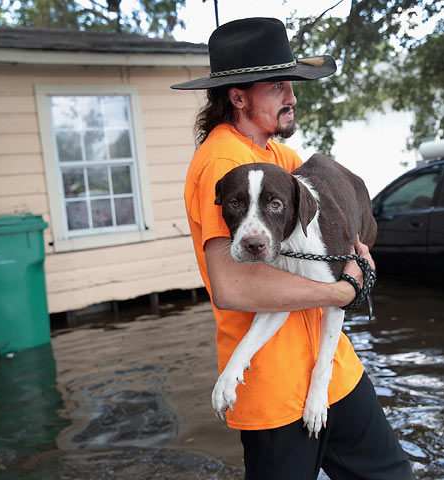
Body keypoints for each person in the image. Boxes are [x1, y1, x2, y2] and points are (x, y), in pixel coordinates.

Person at [173, 17, 414, 480]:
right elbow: (232, 284)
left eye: (291, 85)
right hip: (274, 383)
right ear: (238, 97)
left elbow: (335, 225)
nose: (292, 97)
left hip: (331, 370)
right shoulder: (222, 162)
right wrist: (342, 292)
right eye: (278, 86)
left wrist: (361, 253)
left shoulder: (278, 158)